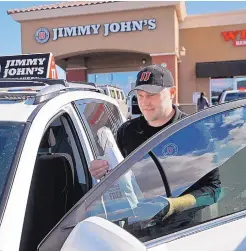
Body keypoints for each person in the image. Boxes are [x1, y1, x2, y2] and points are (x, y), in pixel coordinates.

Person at [89, 64, 220, 218]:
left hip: (183, 229)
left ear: (172, 93)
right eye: (140, 95)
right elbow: (119, 181)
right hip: (138, 226)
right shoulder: (127, 132)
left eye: (152, 94)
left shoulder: (194, 130)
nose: (144, 102)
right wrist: (101, 171)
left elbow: (213, 190)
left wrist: (171, 205)